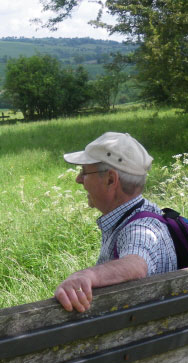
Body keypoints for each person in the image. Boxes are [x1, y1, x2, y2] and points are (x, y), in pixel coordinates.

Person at [55, 132, 177, 312]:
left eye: (84, 172)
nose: (78, 179)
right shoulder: (145, 211)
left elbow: (136, 264)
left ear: (111, 180)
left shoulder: (141, 228)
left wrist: (86, 276)